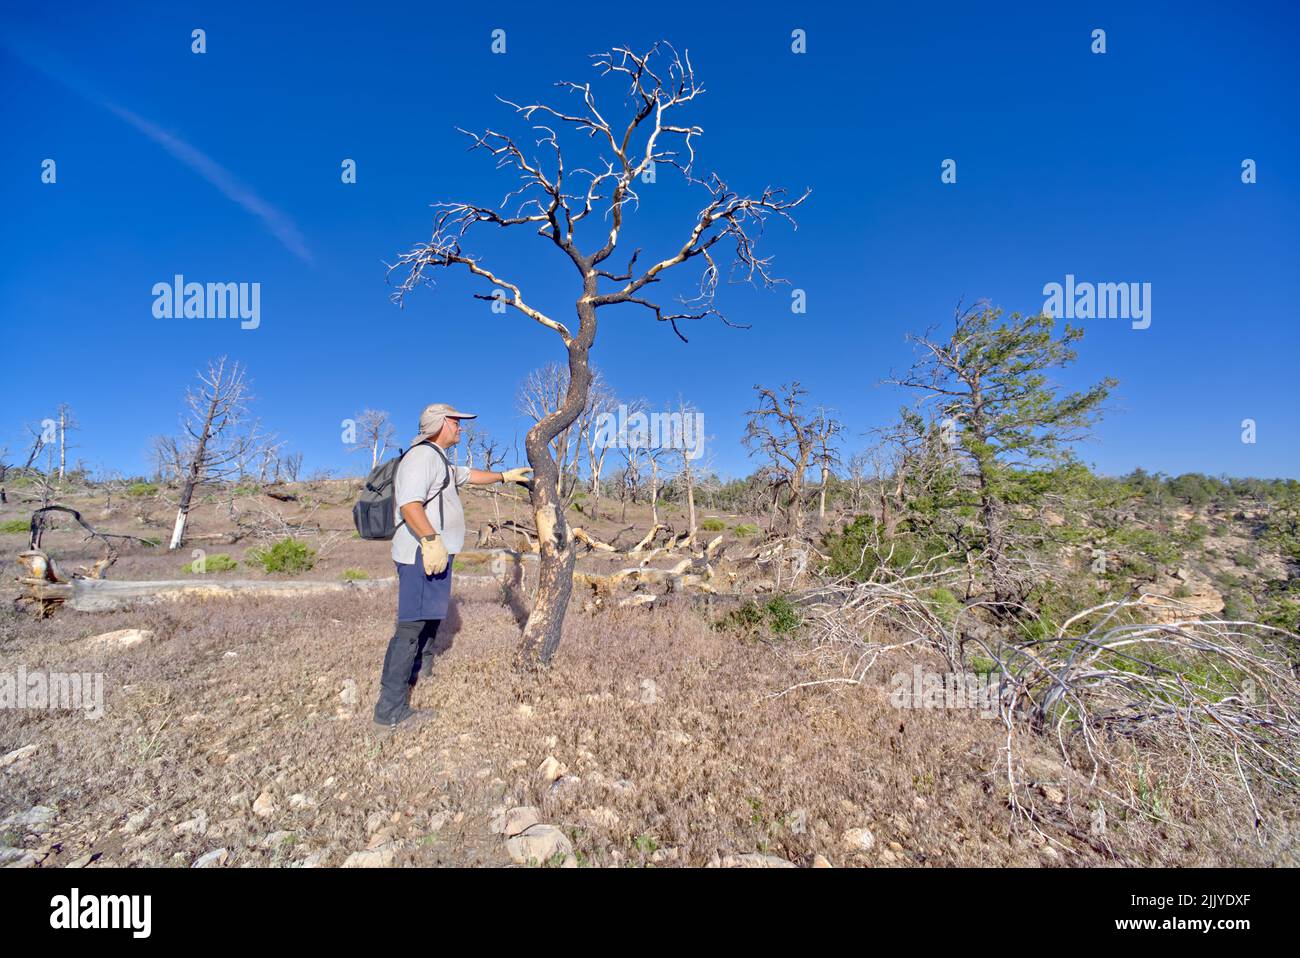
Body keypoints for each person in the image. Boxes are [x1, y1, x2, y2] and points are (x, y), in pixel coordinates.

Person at [373, 403, 531, 730]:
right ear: (441, 423)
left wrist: (504, 476)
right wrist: (431, 541)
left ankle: (422, 670)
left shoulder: (439, 459)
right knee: (411, 627)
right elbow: (410, 504)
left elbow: (469, 475)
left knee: (429, 618)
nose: (461, 427)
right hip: (421, 552)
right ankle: (389, 711)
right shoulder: (421, 457)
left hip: (436, 552)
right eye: (456, 422)